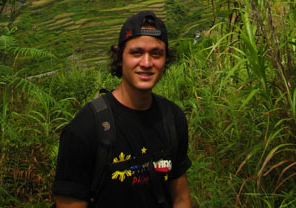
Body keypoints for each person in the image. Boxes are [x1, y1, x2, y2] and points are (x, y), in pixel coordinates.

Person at [52, 11, 192, 207]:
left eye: (156, 54)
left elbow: (181, 197)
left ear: (165, 60)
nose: (146, 63)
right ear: (119, 58)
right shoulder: (85, 129)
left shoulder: (172, 118)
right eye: (136, 53)